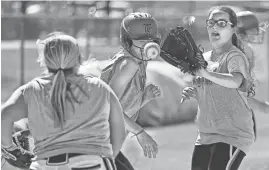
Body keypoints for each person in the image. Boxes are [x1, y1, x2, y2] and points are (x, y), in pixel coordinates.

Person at [1, 32, 126, 170]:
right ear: (79, 59)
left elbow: (4, 116)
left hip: (44, 165)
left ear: (44, 59)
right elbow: (119, 131)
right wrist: (108, 157)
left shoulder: (31, 89)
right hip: (91, 163)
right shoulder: (99, 87)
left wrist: (11, 148)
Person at [181, 6, 255, 170]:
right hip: (206, 134)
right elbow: (209, 88)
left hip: (232, 135)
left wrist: (205, 74)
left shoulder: (234, 56)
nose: (214, 27)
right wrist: (193, 92)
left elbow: (235, 81)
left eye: (221, 23)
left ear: (233, 28)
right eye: (211, 23)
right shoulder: (204, 59)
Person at [99, 12, 162, 170]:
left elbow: (122, 106)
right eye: (141, 40)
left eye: (151, 40)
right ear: (127, 41)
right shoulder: (129, 64)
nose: (147, 45)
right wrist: (140, 133)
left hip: (108, 142)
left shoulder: (140, 62)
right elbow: (108, 105)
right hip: (98, 141)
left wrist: (144, 98)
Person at [236, 11, 269, 114]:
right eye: (253, 31)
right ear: (241, 34)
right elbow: (234, 92)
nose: (257, 33)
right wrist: (260, 105)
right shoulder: (235, 55)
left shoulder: (246, 51)